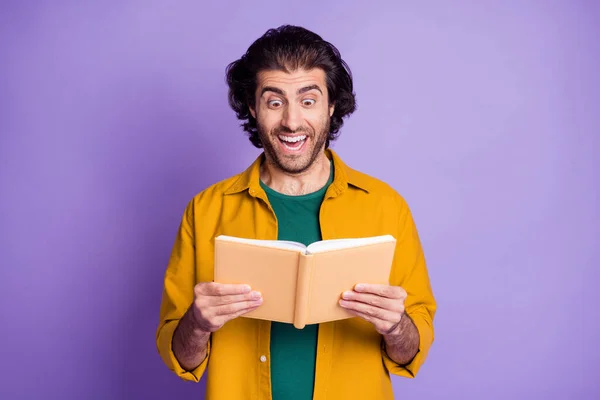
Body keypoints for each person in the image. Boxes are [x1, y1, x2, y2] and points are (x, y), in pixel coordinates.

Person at [156, 25, 436, 400]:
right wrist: (197, 322)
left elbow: (411, 350)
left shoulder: (387, 206)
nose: (291, 121)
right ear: (253, 108)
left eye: (308, 100)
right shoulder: (206, 210)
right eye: (274, 102)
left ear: (331, 106)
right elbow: (180, 356)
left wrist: (396, 325)